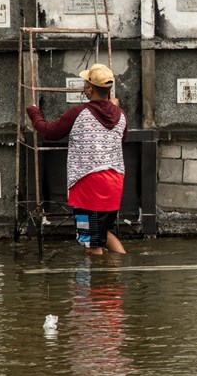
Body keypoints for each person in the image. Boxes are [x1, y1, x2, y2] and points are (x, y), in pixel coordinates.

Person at [26, 63, 128, 255]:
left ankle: (98, 281)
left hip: (88, 183)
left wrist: (34, 112)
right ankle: (117, 273)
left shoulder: (79, 113)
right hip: (114, 182)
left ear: (89, 90)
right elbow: (122, 138)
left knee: (91, 242)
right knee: (101, 233)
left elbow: (49, 132)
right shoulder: (121, 115)